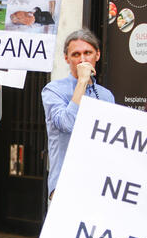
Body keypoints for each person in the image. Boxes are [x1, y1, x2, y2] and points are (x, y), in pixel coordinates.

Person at [41, 28, 115, 202]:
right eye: (76, 54)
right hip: (66, 182)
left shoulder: (106, 96)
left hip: (98, 184)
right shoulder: (53, 90)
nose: (82, 59)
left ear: (97, 55)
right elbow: (67, 124)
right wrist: (82, 81)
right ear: (67, 58)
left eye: (87, 53)